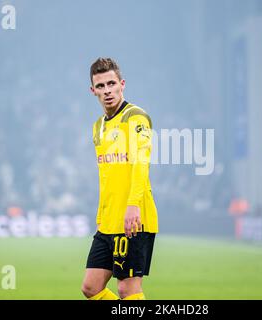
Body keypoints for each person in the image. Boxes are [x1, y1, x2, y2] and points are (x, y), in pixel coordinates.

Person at [81, 58, 158, 300]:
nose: (107, 91)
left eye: (111, 83)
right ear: (93, 91)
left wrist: (133, 205)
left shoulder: (135, 117)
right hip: (109, 221)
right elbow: (106, 176)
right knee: (91, 287)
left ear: (122, 84)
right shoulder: (97, 127)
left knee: (127, 289)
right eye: (100, 86)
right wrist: (102, 216)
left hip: (135, 218)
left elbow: (140, 163)